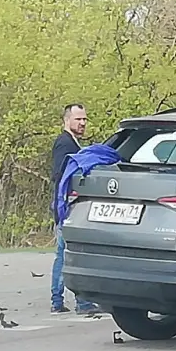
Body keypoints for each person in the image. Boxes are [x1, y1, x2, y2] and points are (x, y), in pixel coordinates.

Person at [49, 104, 100, 314]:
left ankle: (60, 300)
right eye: (78, 119)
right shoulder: (64, 144)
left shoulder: (73, 143)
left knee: (65, 253)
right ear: (67, 120)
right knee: (69, 253)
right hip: (66, 207)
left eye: (85, 119)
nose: (82, 123)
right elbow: (60, 175)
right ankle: (80, 302)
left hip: (66, 206)